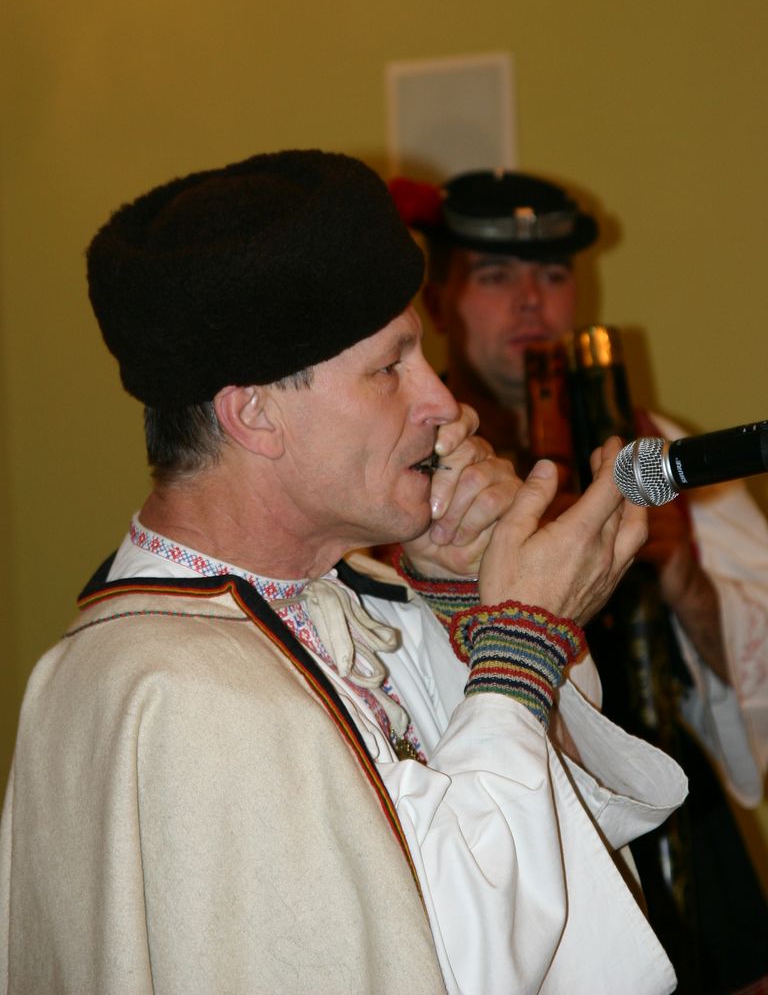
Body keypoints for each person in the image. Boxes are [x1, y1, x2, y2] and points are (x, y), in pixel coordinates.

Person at [0, 150, 688, 995]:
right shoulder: (181, 693)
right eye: (391, 368)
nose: (444, 404)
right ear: (255, 413)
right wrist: (523, 644)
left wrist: (465, 604)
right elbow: (450, 961)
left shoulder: (341, 604)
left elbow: (544, 858)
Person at [391, 167, 768, 995]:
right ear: (442, 303)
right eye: (497, 277)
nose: (532, 301)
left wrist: (687, 578)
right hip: (500, 826)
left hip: (677, 814)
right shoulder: (398, 475)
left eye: (554, 276)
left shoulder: (648, 443)